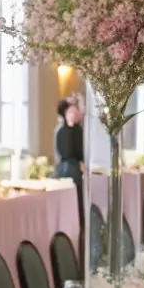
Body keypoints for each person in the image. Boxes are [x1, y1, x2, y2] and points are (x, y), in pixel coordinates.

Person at [54, 96, 85, 246]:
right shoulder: (62, 132)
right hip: (67, 171)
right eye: (72, 112)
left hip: (76, 170)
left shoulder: (78, 130)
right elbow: (67, 152)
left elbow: (81, 152)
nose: (76, 113)